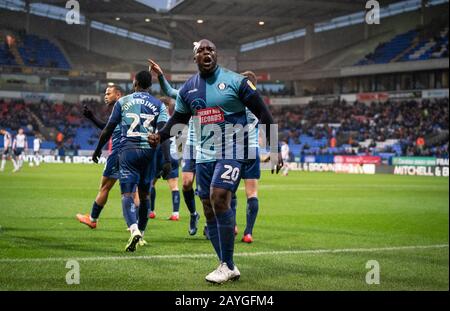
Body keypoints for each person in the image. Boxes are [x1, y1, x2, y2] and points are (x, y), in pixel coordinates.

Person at [148, 39, 283, 284]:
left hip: (234, 148)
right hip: (203, 154)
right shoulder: (189, 88)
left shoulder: (236, 81)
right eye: (201, 50)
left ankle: (226, 264)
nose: (206, 53)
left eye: (210, 49)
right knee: (209, 207)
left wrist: (274, 148)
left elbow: (263, 112)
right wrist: (160, 136)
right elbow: (178, 118)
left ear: (216, 55)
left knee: (219, 196)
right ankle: (227, 263)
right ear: (195, 57)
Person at [92, 71, 171, 252]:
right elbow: (164, 134)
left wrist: (98, 150)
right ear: (150, 86)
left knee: (127, 195)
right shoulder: (159, 105)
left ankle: (133, 229)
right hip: (149, 153)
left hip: (128, 152)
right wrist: (167, 160)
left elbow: (108, 129)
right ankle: (142, 233)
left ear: (135, 83)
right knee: (145, 196)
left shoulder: (123, 102)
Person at [149, 59, 200, 235]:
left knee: (209, 190)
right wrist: (161, 75)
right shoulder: (188, 94)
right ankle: (193, 214)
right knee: (186, 184)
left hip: (212, 144)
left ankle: (211, 224)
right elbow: (169, 91)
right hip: (192, 146)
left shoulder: (216, 95)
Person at [76, 85, 125, 230]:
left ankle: (92, 219)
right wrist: (92, 117)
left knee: (104, 187)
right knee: (131, 189)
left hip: (118, 151)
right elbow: (107, 127)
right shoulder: (128, 107)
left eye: (108, 93)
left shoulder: (119, 107)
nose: (106, 96)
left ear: (118, 94)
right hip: (132, 151)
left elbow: (108, 131)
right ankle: (136, 224)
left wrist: (97, 150)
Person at [149, 97, 183, 222]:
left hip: (160, 154)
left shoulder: (158, 120)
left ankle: (151, 211)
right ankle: (175, 213)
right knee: (174, 186)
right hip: (173, 154)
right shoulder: (174, 121)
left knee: (151, 182)